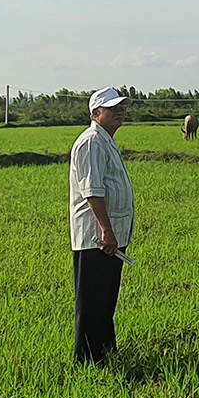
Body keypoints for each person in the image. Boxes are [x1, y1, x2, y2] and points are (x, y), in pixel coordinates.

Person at [70, 87, 135, 365]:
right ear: (96, 114)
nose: (120, 111)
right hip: (97, 237)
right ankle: (87, 360)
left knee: (106, 300)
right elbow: (93, 191)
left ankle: (106, 353)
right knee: (93, 301)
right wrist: (106, 231)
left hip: (109, 235)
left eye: (121, 106)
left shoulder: (106, 140)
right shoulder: (91, 142)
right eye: (112, 108)